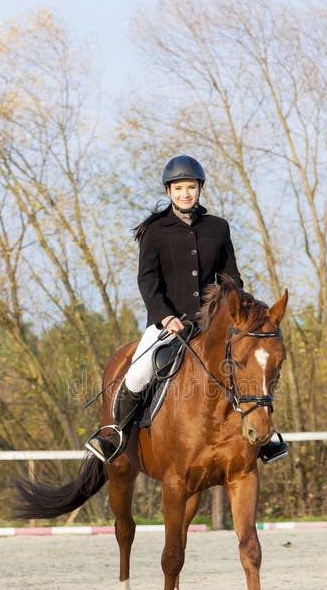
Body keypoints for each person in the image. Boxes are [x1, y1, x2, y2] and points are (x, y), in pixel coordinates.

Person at [84, 155, 288, 464]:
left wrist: (237, 312)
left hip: (211, 326)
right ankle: (115, 435)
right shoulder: (154, 231)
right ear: (169, 191)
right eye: (178, 188)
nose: (185, 194)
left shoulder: (218, 228)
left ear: (200, 189)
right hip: (169, 324)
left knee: (251, 365)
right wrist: (166, 316)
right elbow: (148, 280)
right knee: (138, 374)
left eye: (190, 187)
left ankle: (265, 435)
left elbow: (231, 278)